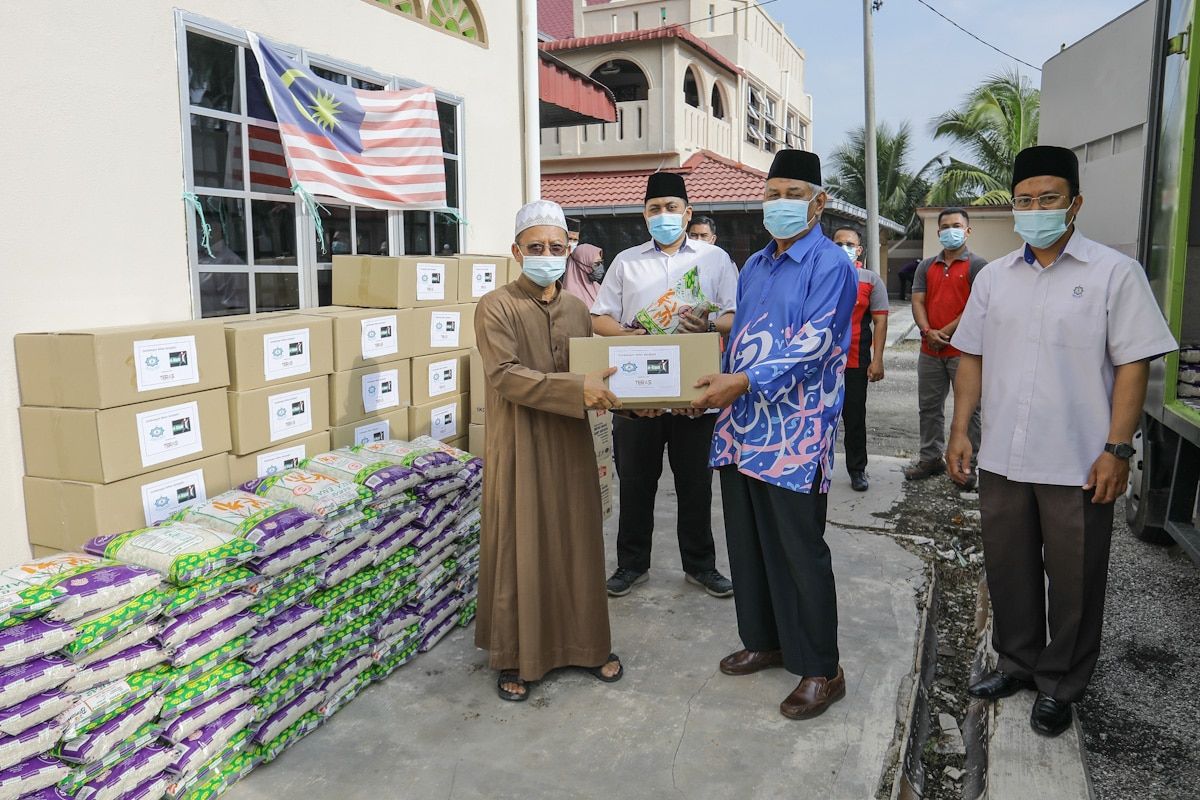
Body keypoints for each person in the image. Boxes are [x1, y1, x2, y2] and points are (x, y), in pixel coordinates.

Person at [947, 146, 1176, 737]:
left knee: (1074, 577)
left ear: (1074, 204)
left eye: (1049, 199)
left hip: (1077, 459)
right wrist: (960, 428)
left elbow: (1133, 366)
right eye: (1025, 201)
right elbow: (970, 355)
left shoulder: (1112, 273)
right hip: (1003, 456)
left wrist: (1118, 449)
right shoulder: (995, 277)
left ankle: (1061, 682)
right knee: (1009, 568)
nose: (1036, 209)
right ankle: (1019, 663)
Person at [692, 149, 858, 721]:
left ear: (819, 201)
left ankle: (821, 668)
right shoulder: (755, 264)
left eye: (791, 193)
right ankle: (765, 639)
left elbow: (813, 346)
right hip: (742, 430)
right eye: (771, 193)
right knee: (749, 541)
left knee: (799, 550)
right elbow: (744, 331)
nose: (778, 203)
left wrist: (740, 381)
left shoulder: (831, 264)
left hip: (795, 434)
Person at [474, 200, 626, 703]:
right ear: (516, 252)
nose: (546, 255)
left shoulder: (579, 309)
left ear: (568, 251)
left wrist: (630, 399)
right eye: (535, 247)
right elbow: (503, 375)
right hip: (520, 440)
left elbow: (595, 371)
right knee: (523, 544)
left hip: (572, 439)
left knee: (578, 541)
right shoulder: (495, 306)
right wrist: (574, 390)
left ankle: (587, 645)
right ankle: (518, 655)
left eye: (556, 248)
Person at [591, 171, 738, 599]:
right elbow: (599, 317)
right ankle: (631, 565)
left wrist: (708, 321)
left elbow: (735, 314)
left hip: (696, 390)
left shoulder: (715, 260)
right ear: (644, 216)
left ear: (687, 212)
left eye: (672, 208)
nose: (664, 215)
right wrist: (626, 336)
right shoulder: (626, 261)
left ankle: (701, 566)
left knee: (696, 484)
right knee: (636, 481)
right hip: (638, 393)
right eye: (655, 209)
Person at [905, 208, 986, 487]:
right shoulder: (926, 266)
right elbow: (917, 301)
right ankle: (930, 459)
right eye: (945, 226)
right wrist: (927, 332)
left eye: (957, 225)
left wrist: (945, 331)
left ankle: (968, 465)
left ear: (967, 230)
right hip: (930, 351)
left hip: (964, 354)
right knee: (929, 408)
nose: (951, 230)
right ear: (938, 232)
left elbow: (976, 307)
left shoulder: (978, 266)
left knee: (970, 411)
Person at [832, 225, 889, 492]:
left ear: (859, 249)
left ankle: (857, 470)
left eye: (849, 243)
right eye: (838, 243)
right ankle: (814, 466)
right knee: (818, 417)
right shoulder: (819, 276)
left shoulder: (870, 280)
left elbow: (879, 322)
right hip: (819, 363)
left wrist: (877, 360)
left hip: (855, 360)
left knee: (854, 418)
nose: (843, 247)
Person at [562, 243, 606, 307]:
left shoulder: (598, 288)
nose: (600, 268)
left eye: (601, 263)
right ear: (582, 265)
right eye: (596, 264)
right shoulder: (570, 298)